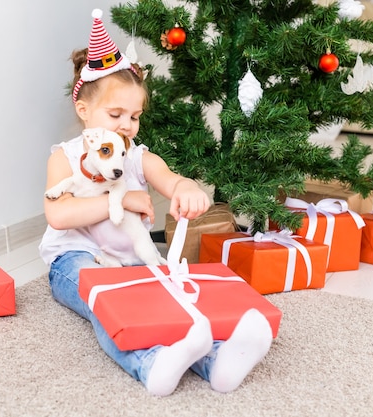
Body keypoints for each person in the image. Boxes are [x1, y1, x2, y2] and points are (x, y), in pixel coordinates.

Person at [39, 9, 273, 397]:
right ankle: (150, 364)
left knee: (165, 297)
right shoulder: (63, 157)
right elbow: (59, 215)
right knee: (109, 304)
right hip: (75, 257)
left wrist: (185, 189)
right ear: (84, 111)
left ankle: (217, 360)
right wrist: (125, 200)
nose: (127, 125)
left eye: (134, 116)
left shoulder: (135, 155)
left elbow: (169, 178)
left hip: (130, 259)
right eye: (115, 114)